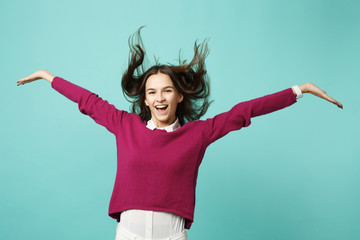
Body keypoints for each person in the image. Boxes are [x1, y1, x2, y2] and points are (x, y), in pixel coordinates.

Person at [17, 26, 343, 240]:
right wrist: (49, 77)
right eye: (152, 92)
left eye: (167, 90)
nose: (160, 98)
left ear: (179, 95)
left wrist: (299, 90)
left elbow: (244, 112)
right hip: (128, 234)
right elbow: (88, 101)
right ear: (144, 100)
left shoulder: (198, 134)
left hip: (173, 235)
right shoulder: (124, 125)